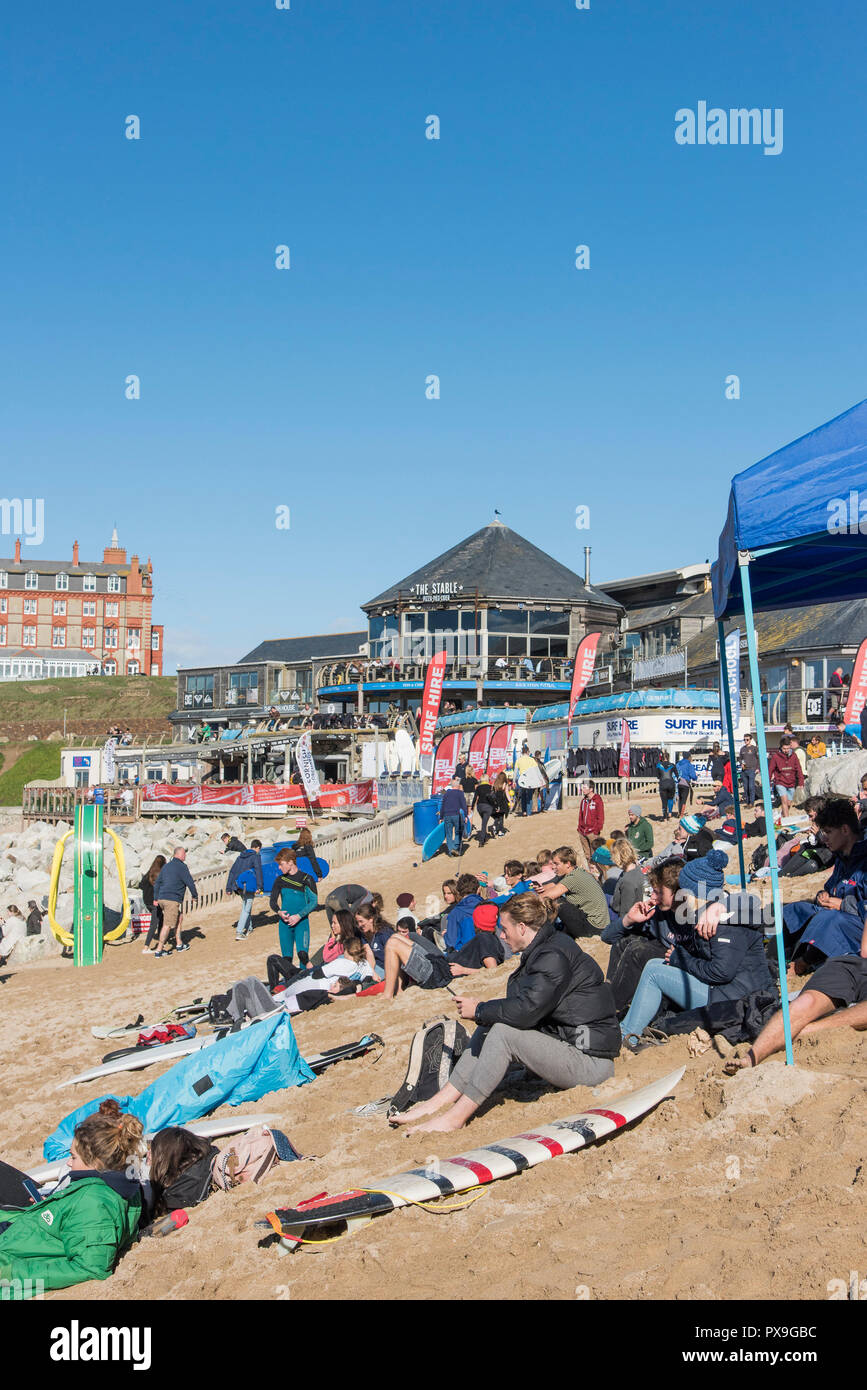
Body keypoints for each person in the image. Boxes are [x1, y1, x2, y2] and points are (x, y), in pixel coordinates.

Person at [394, 894, 620, 1133]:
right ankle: (441, 1100)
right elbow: (525, 1005)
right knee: (492, 1021)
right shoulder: (545, 948)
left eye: (504, 929)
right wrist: (484, 1011)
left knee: (501, 1031)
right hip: (570, 1044)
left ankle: (456, 1117)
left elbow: (526, 1012)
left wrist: (480, 1009)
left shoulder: (551, 956)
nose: (501, 935)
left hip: (590, 1061)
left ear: (522, 928)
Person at [619, 855, 772, 1046]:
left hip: (736, 1000)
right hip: (726, 991)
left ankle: (627, 1034)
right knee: (655, 965)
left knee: (654, 972)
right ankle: (627, 1029)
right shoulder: (709, 913)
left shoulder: (722, 921)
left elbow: (721, 972)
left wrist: (680, 959)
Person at [0, 1099, 145, 1291]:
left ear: (95, 1163)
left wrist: (9, 1272)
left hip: (12, 1258)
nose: (69, 1163)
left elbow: (91, 1268)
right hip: (22, 1233)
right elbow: (74, 1223)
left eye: (74, 1157)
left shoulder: (95, 1203)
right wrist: (52, 1206)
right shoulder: (116, 1185)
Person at [724, 955, 867, 1073]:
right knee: (807, 1001)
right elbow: (865, 950)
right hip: (855, 965)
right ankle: (750, 1058)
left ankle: (800, 1032)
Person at [782, 799, 867, 969]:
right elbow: (832, 886)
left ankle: (804, 963)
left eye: (828, 831)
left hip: (857, 924)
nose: (824, 838)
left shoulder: (864, 860)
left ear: (845, 830)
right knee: (793, 909)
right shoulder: (843, 856)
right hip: (837, 914)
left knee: (828, 918)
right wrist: (824, 894)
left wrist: (843, 905)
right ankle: (780, 957)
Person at [536, 845, 610, 938]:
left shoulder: (573, 878)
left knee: (557, 902)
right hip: (599, 925)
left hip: (593, 928)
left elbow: (546, 896)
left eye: (556, 864)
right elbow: (553, 885)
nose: (553, 867)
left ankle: (543, 932)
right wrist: (541, 888)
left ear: (567, 864)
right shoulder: (578, 872)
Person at [269, 848, 318, 965]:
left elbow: (314, 902)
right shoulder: (280, 880)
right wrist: (279, 912)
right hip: (284, 924)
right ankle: (289, 982)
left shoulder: (307, 879)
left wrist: (299, 916)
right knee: (286, 960)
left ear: (291, 862)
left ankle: (304, 981)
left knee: (303, 956)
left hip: (301, 923)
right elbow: (272, 902)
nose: (279, 868)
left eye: (281, 864)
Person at [152, 849, 198, 957]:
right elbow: (189, 882)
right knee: (167, 924)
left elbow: (158, 882)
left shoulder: (166, 866)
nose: (185, 855)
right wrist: (194, 895)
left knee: (179, 917)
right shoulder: (182, 867)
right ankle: (159, 950)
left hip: (162, 898)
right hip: (171, 899)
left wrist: (156, 898)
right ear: (177, 854)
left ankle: (179, 943)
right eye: (184, 854)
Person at [447, 902, 505, 975]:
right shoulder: (489, 937)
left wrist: (463, 970)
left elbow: (493, 970)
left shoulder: (484, 938)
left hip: (445, 972)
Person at [226, 839, 264, 941]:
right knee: (246, 909)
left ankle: (249, 927)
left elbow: (232, 872)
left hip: (238, 886)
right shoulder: (255, 857)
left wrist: (228, 887)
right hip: (249, 887)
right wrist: (260, 887)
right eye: (259, 849)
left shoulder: (240, 856)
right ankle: (239, 932)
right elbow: (258, 871)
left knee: (246, 905)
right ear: (257, 848)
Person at [442, 874, 485, 950]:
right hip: (488, 948)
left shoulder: (455, 913)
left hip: (467, 954)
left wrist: (446, 935)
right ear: (478, 889)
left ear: (458, 891)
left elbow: (451, 943)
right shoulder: (488, 905)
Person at [354, 901, 395, 979]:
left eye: (361, 921)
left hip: (387, 968)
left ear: (371, 919)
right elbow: (369, 953)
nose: (359, 925)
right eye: (357, 922)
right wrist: (372, 971)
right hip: (375, 965)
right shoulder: (364, 933)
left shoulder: (384, 933)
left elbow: (392, 957)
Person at [768, 736, 804, 819]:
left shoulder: (794, 756)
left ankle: (782, 815)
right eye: (784, 748)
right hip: (780, 782)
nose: (786, 750)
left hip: (791, 782)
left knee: (788, 803)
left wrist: (801, 782)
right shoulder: (776, 757)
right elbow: (770, 770)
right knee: (784, 800)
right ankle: (787, 820)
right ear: (781, 747)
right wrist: (768, 781)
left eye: (788, 748)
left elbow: (799, 769)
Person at [609, 839, 646, 920]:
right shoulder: (636, 868)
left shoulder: (627, 881)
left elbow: (625, 912)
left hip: (624, 915)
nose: (612, 859)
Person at [140, 854, 167, 955]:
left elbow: (140, 885)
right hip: (155, 902)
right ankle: (146, 947)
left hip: (147, 901)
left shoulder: (149, 873)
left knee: (161, 919)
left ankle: (161, 940)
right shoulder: (159, 874)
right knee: (154, 924)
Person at [439, 777, 469, 858]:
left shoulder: (446, 794)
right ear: (458, 786)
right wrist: (466, 815)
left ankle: (450, 851)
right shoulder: (460, 793)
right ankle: (455, 847)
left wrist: (441, 817)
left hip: (447, 815)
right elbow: (463, 805)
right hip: (456, 815)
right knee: (458, 832)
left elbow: (443, 806)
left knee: (448, 833)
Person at [577, 781, 604, 862]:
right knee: (587, 856)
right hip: (582, 832)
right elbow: (580, 816)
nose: (582, 789)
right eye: (582, 787)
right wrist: (579, 829)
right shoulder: (583, 801)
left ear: (591, 789)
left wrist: (596, 831)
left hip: (593, 832)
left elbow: (601, 817)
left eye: (585, 787)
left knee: (595, 855)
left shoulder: (597, 800)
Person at [471, 773, 496, 847]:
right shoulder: (491, 787)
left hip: (480, 807)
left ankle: (484, 836)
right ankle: (482, 840)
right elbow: (494, 798)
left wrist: (472, 807)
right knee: (484, 823)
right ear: (487, 779)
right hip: (488, 807)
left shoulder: (478, 788)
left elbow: (475, 798)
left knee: (484, 821)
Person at [737, 733, 760, 808]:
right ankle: (747, 802)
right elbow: (740, 758)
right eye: (744, 739)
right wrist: (742, 763)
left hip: (752, 769)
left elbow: (758, 758)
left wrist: (757, 768)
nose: (745, 741)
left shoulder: (754, 748)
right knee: (745, 787)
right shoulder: (742, 749)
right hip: (744, 770)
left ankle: (751, 803)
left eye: (747, 739)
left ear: (750, 740)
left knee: (751, 787)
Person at [656, 752, 677, 821]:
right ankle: (670, 813)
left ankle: (664, 817)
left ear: (662, 758)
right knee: (670, 799)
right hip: (671, 784)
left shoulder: (658, 765)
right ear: (668, 757)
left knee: (664, 801)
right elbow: (677, 775)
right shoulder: (672, 765)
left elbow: (658, 776)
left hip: (663, 784)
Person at [490, 772, 510, 837]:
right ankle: (500, 831)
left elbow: (492, 791)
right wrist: (510, 801)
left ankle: (494, 826)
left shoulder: (495, 783)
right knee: (501, 817)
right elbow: (507, 793)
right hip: (502, 801)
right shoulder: (505, 784)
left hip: (495, 802)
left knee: (496, 816)